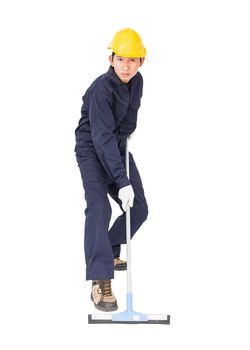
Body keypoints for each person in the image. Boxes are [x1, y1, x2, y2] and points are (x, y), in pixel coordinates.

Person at [74, 28, 148, 312]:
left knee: (138, 208)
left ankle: (104, 250)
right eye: (121, 59)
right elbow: (101, 138)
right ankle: (100, 278)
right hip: (92, 149)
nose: (126, 66)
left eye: (132, 60)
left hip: (116, 145)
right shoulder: (100, 90)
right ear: (111, 58)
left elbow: (128, 121)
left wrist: (126, 137)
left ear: (141, 61)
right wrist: (121, 180)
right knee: (99, 208)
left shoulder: (137, 81)